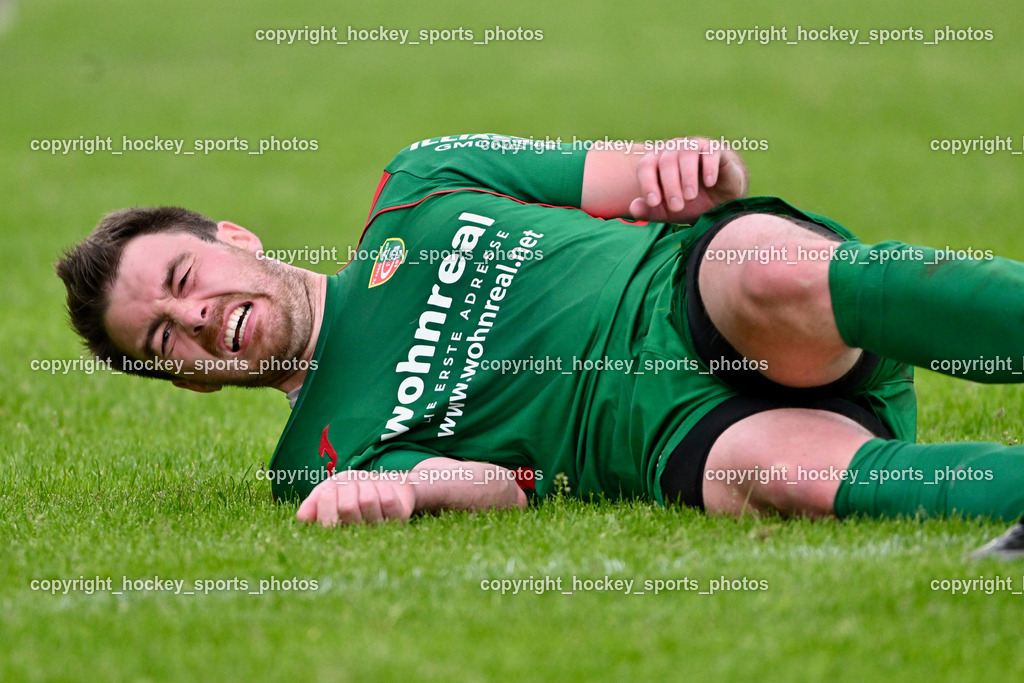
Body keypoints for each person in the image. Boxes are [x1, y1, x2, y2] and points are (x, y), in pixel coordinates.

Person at [56, 133, 1024, 528]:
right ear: (184, 381)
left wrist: (689, 170)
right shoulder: (314, 465)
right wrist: (408, 491)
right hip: (664, 438)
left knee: (761, 267)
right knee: (784, 477)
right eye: (163, 338)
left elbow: (642, 173)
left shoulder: (422, 182)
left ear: (234, 238)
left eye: (183, 278)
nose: (195, 318)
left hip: (691, 295)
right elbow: (505, 488)